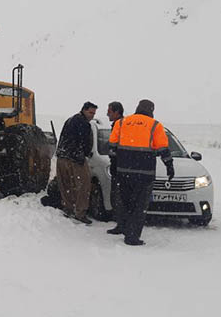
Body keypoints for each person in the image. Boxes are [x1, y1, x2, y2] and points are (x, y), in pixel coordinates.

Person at [108, 99, 174, 246]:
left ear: (137, 108)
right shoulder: (155, 125)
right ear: (151, 110)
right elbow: (163, 149)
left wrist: (114, 165)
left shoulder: (121, 123)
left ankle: (124, 227)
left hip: (123, 172)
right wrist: (169, 166)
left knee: (125, 202)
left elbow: (112, 146)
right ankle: (132, 236)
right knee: (139, 206)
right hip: (145, 174)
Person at [55, 101, 97, 224]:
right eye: (90, 112)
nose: (92, 115)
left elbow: (63, 137)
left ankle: (68, 208)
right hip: (75, 159)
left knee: (66, 184)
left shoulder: (69, 120)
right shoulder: (84, 124)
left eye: (94, 113)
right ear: (84, 110)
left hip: (62, 156)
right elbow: (86, 143)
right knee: (84, 185)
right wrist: (85, 154)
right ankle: (80, 213)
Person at [105, 101, 125, 235]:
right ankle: (122, 224)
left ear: (117, 112)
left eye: (110, 111)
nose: (107, 114)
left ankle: (121, 225)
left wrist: (113, 154)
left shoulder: (120, 125)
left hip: (119, 168)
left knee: (118, 198)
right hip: (121, 167)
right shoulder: (119, 124)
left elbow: (117, 146)